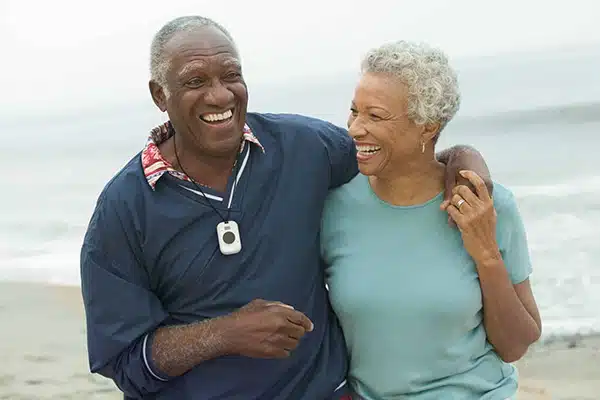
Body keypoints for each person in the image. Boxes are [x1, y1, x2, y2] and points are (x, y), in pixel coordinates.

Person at [80, 16, 493, 400]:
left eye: (231, 75)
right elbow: (124, 359)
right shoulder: (123, 209)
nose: (219, 94)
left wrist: (464, 157)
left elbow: (396, 158)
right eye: (195, 81)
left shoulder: (304, 146)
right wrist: (225, 334)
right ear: (159, 94)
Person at [321, 41, 542, 400]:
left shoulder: (487, 203)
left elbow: (515, 346)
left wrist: (486, 253)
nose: (355, 129)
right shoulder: (334, 204)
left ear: (427, 127)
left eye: (375, 116)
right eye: (353, 111)